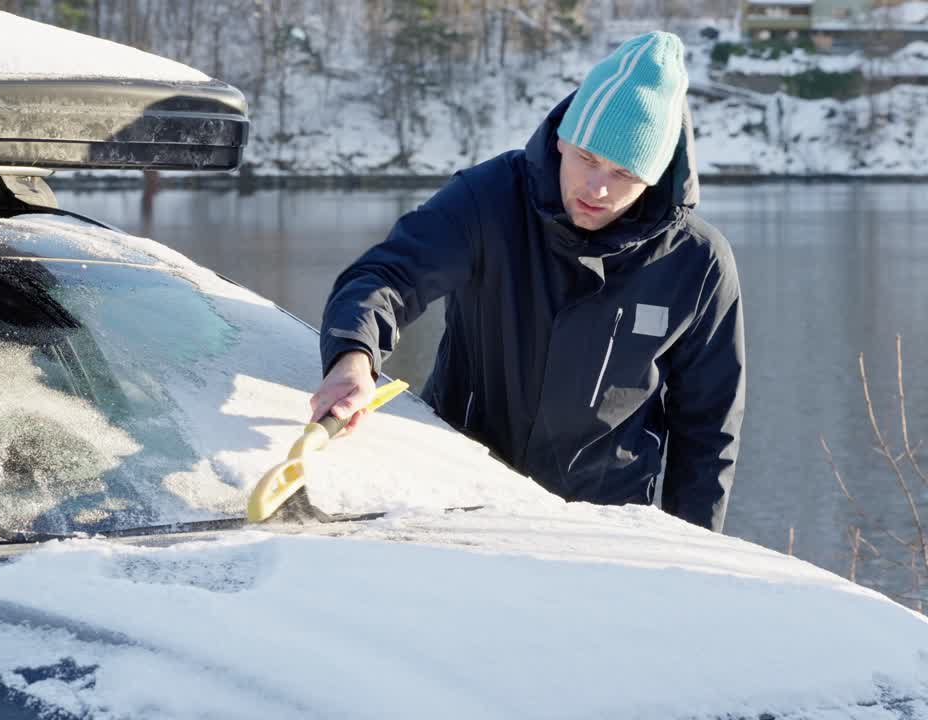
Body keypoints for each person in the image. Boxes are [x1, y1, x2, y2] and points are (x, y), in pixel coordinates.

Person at [310, 31, 745, 532]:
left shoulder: (699, 262)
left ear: (655, 175)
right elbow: (387, 276)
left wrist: (693, 553)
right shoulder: (488, 200)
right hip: (457, 498)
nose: (597, 187)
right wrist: (353, 358)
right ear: (562, 138)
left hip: (607, 527)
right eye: (587, 157)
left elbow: (708, 433)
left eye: (624, 173)